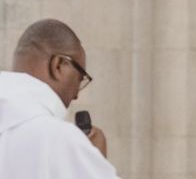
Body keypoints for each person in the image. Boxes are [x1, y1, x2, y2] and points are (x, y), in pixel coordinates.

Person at [0, 18, 121, 178]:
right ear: (58, 65)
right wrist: (91, 159)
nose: (76, 95)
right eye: (80, 78)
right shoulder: (58, 139)